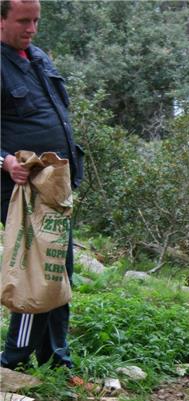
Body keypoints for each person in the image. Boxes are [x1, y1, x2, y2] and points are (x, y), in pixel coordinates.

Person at [1, 0, 83, 370]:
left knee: (57, 266)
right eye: (23, 20)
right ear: (1, 19)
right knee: (39, 268)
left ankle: (55, 358)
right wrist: (4, 160)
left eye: (35, 20)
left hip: (55, 183)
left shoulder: (37, 57)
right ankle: (15, 359)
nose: (31, 28)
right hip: (23, 188)